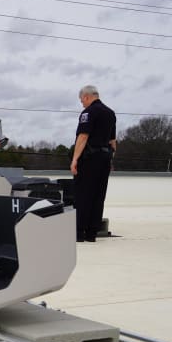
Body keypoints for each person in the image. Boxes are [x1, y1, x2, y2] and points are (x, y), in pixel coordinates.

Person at [71, 85, 116, 242]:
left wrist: (75, 159)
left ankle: (79, 233)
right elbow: (113, 141)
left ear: (87, 96)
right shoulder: (110, 113)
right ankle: (92, 233)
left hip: (90, 159)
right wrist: (110, 159)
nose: (82, 104)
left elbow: (83, 137)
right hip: (105, 159)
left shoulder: (89, 112)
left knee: (83, 195)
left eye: (81, 100)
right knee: (98, 195)